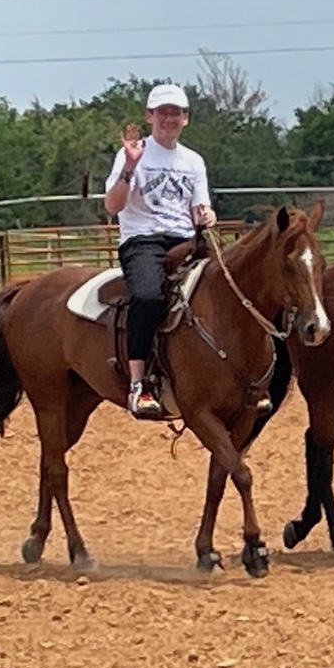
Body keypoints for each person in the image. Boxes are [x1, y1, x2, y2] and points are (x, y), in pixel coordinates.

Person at [104, 82, 217, 418]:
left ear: (186, 119)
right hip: (143, 239)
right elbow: (113, 205)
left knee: (232, 286)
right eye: (163, 112)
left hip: (185, 240)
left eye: (177, 112)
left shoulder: (193, 161)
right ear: (149, 116)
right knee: (149, 297)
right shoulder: (133, 154)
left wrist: (206, 215)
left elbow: (201, 207)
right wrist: (129, 166)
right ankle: (140, 384)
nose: (170, 118)